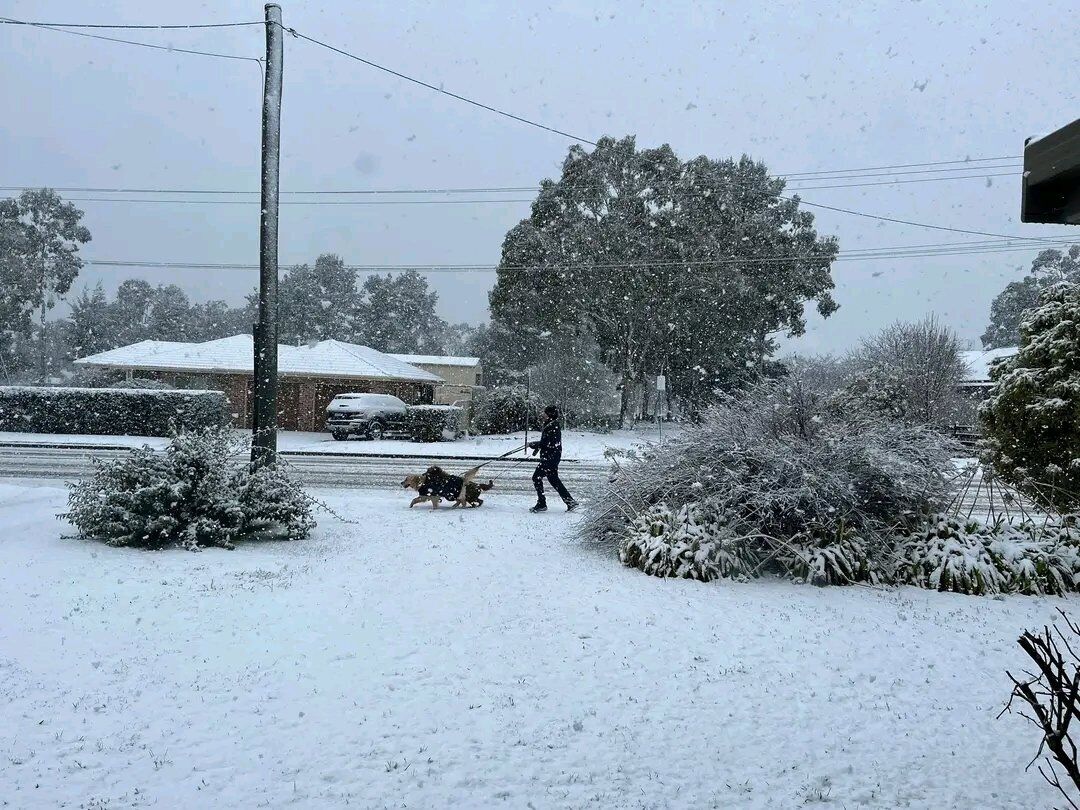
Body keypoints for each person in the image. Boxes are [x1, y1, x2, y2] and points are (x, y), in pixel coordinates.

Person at [528, 405, 578, 513]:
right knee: (554, 480)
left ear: (550, 414)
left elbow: (549, 443)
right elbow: (547, 442)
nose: (543, 414)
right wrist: (538, 446)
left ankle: (542, 503)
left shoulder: (552, 426)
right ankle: (570, 501)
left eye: (545, 413)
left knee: (536, 477)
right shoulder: (551, 425)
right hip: (551, 457)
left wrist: (536, 444)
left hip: (550, 458)